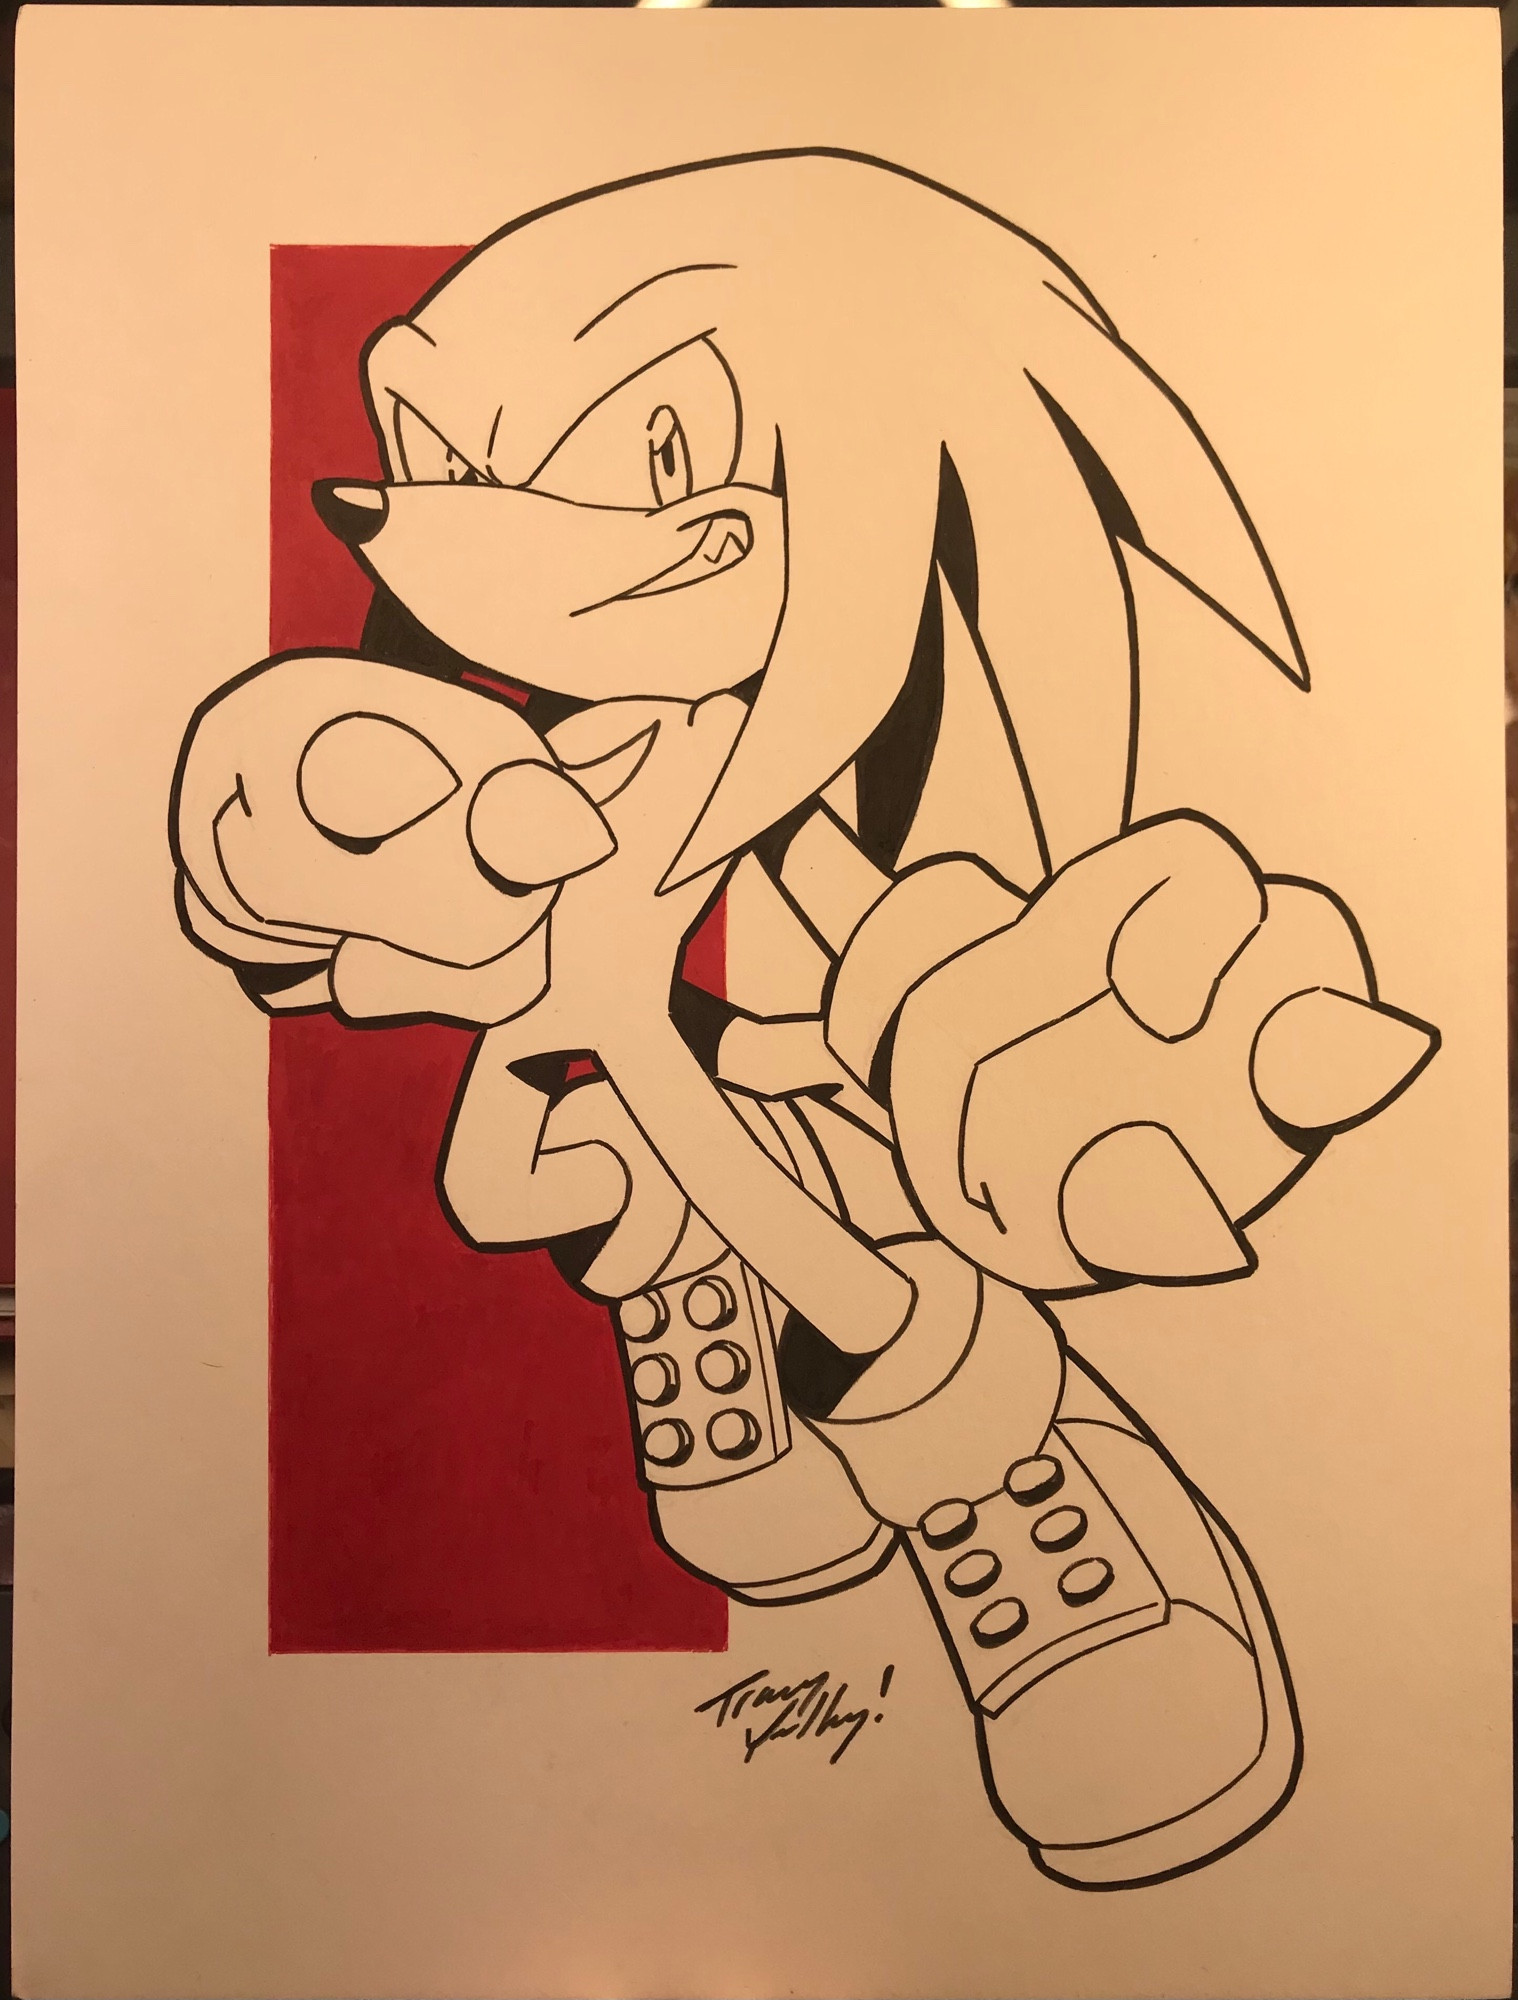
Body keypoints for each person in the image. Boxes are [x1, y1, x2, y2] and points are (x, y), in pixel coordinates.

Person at [171, 150, 1438, 1888]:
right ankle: (780, 1378)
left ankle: (1030, 1504)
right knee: (705, 1176)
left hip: (923, 1140)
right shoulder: (642, 740)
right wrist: (560, 1017)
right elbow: (504, 1119)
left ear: (697, 472)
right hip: (787, 1107)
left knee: (888, 1285)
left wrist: (644, 1024)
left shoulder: (920, 742)